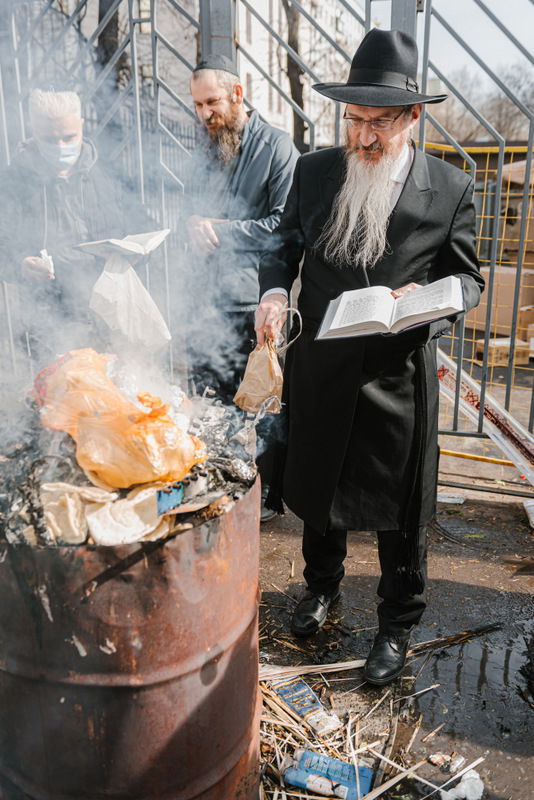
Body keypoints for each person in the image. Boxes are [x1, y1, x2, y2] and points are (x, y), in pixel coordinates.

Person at [255, 29, 484, 684]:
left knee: (398, 508)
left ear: (412, 117)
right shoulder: (315, 170)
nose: (363, 136)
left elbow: (467, 280)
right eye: (354, 120)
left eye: (379, 123)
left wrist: (430, 300)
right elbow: (283, 247)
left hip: (397, 375)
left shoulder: (451, 187)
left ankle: (396, 625)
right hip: (322, 364)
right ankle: (319, 588)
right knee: (319, 487)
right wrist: (274, 291)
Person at [184, 54, 299, 520]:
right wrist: (191, 224)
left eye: (211, 102)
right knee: (212, 406)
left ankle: (267, 498)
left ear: (237, 94)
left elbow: (285, 227)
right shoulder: (205, 147)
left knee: (261, 405)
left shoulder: (277, 148)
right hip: (206, 298)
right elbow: (191, 213)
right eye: (196, 104)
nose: (204, 113)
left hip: (255, 298)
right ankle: (215, 485)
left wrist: (221, 229)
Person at [0, 88, 150, 363]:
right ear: (33, 131)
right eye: (50, 139)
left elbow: (144, 227)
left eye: (69, 137)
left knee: (115, 397)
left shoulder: (109, 173)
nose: (60, 146)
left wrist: (133, 251)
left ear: (81, 126)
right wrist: (19, 264)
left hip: (109, 312)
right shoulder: (13, 183)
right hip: (46, 318)